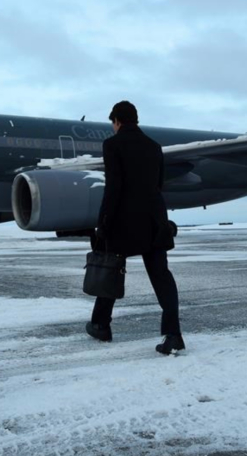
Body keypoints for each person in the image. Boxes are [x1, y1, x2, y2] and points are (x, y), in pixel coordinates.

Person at [86, 101, 184, 355]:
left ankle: (101, 325)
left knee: (111, 270)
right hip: (154, 220)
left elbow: (113, 188)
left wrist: (103, 223)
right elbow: (158, 184)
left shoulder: (112, 144)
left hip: (123, 222)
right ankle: (173, 334)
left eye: (113, 123)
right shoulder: (154, 147)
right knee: (161, 276)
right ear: (135, 120)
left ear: (117, 121)